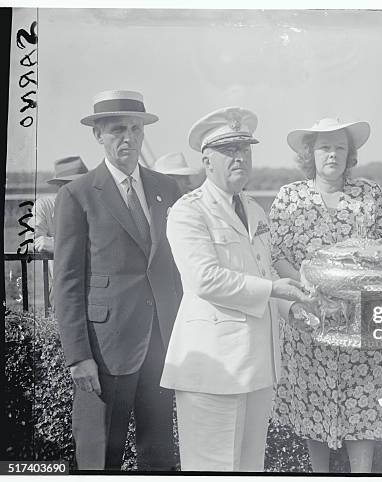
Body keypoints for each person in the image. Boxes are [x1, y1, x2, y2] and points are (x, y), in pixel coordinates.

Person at [160, 106, 313, 472]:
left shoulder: (255, 210)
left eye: (245, 149)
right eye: (229, 150)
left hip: (257, 366)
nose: (239, 157)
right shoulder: (189, 212)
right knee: (211, 468)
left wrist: (292, 310)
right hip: (214, 370)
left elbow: (262, 274)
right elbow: (205, 279)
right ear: (206, 160)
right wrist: (275, 287)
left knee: (249, 468)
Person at [53, 90, 182, 470]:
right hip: (105, 350)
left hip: (161, 347)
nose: (128, 138)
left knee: (158, 455)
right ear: (98, 135)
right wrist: (79, 357)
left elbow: (176, 270)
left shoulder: (167, 189)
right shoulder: (77, 195)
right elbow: (67, 283)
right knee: (99, 456)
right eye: (116, 130)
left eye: (135, 129)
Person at [270, 117, 382, 473]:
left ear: (349, 154)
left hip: (359, 323)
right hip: (310, 321)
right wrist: (311, 294)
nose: (333, 155)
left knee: (363, 403)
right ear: (311, 153)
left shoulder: (368, 194)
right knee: (312, 404)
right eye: (325, 147)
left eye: (340, 147)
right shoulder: (289, 196)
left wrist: (354, 292)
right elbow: (276, 253)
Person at [33, 156, 88, 307]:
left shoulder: (97, 206)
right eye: (69, 185)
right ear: (59, 186)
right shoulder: (45, 206)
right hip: (64, 286)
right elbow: (29, 243)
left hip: (99, 285)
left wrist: (56, 245)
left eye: (82, 184)